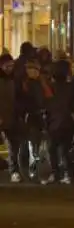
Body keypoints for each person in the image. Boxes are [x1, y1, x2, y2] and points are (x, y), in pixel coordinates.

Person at [0, 53, 19, 183]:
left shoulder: (13, 79)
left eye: (12, 66)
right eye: (7, 66)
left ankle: (14, 171)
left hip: (10, 117)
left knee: (13, 145)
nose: (10, 68)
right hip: (2, 116)